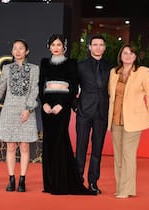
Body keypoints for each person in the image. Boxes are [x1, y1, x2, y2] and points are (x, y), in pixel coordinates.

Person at [39, 34, 95, 195]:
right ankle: (50, 183)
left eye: (59, 44)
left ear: (64, 46)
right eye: (53, 45)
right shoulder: (44, 62)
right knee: (49, 142)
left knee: (60, 141)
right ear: (49, 46)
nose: (56, 47)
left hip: (62, 106)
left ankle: (62, 182)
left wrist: (61, 105)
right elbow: (40, 85)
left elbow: (73, 88)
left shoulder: (71, 63)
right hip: (47, 106)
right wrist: (44, 103)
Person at [108, 44, 149, 198]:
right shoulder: (114, 72)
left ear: (136, 57)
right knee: (118, 156)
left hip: (134, 120)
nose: (128, 56)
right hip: (116, 120)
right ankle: (123, 188)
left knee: (128, 155)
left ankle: (125, 190)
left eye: (131, 53)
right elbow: (111, 95)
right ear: (120, 55)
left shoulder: (143, 72)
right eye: (125, 53)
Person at [0, 39, 39, 192]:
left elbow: (34, 90)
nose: (18, 51)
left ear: (27, 51)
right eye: (15, 48)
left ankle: (23, 180)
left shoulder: (34, 69)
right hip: (9, 111)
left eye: (21, 48)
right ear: (12, 52)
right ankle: (11, 179)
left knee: (25, 146)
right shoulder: (7, 68)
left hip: (27, 110)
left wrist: (28, 108)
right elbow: (0, 89)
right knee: (11, 146)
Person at [75, 34, 111, 194]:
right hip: (84, 112)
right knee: (81, 148)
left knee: (97, 150)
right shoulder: (80, 66)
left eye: (101, 44)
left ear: (104, 47)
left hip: (102, 113)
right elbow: (71, 88)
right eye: (94, 44)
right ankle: (77, 181)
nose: (98, 47)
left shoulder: (111, 68)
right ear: (89, 47)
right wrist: (76, 107)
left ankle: (93, 182)